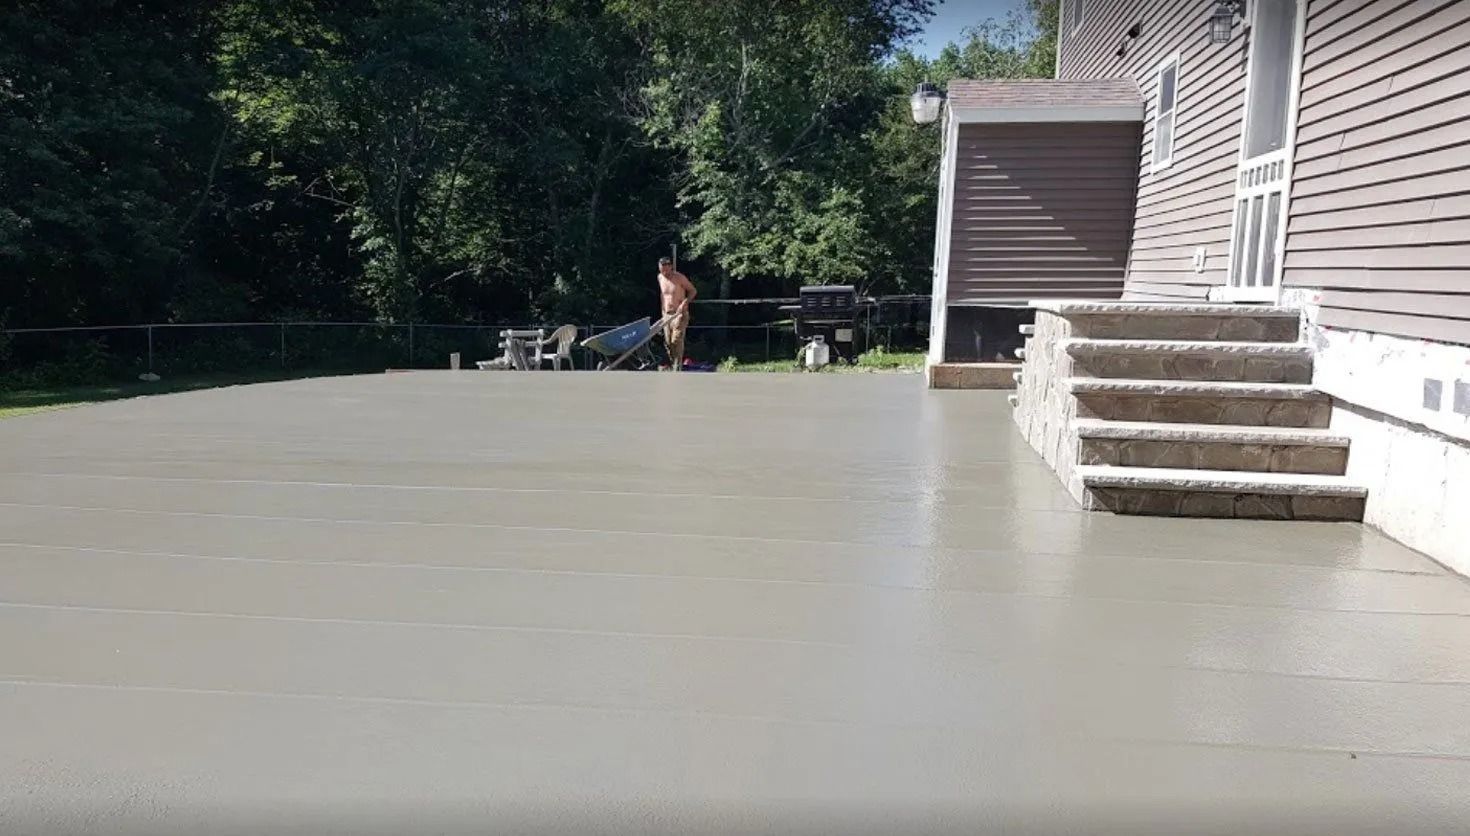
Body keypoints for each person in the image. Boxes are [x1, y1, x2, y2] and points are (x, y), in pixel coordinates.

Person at [656, 256, 696, 370]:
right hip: (666, 314)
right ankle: (673, 364)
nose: (663, 272)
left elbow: (693, 291)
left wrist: (684, 303)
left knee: (676, 340)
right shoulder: (660, 278)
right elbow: (663, 295)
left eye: (665, 269)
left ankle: (677, 367)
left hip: (679, 313)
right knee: (668, 342)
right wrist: (663, 311)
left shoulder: (679, 278)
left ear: (670, 267)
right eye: (661, 269)